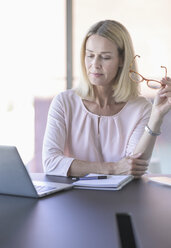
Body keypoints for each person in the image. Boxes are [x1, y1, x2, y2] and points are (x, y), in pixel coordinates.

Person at [42, 20, 171, 178]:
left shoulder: (141, 108)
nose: (95, 64)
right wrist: (113, 168)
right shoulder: (64, 102)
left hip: (123, 200)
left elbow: (133, 169)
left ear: (122, 60)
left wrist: (157, 116)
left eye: (105, 57)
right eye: (90, 55)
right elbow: (51, 163)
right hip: (73, 198)